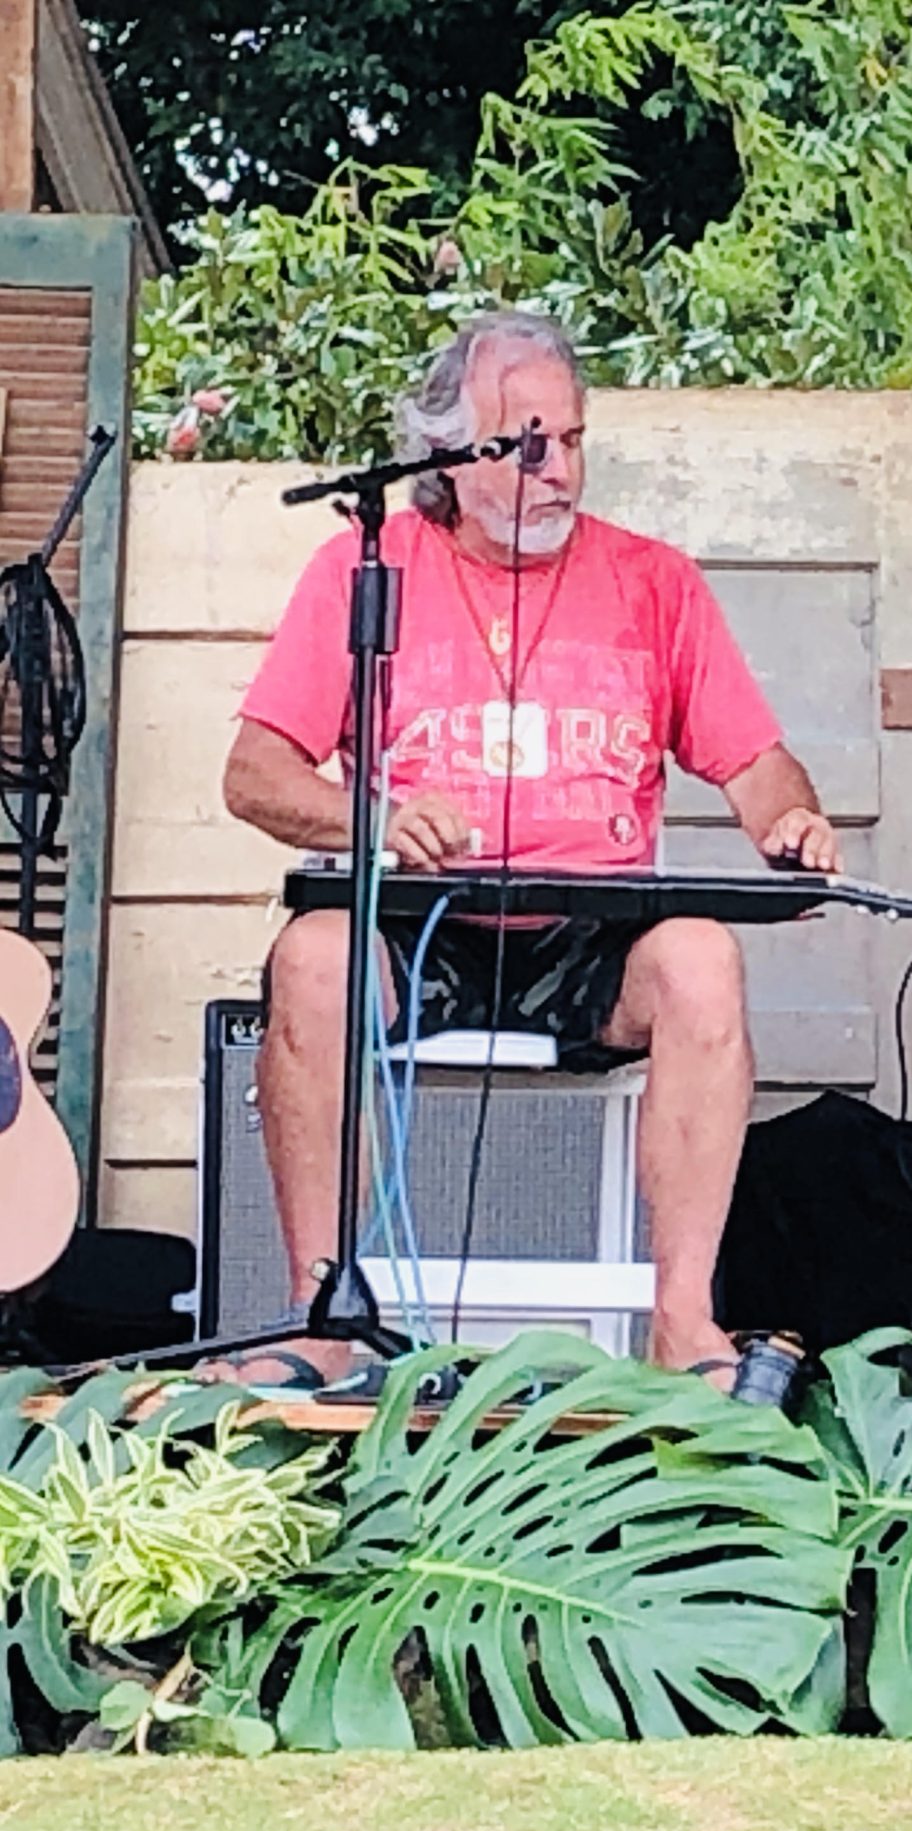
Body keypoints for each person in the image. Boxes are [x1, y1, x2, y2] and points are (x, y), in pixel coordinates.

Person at [222, 310, 837, 1392]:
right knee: (313, 956)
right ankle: (323, 1314)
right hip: (416, 934)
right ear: (448, 459)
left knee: (702, 961)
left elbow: (761, 770)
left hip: (592, 942)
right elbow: (254, 775)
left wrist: (790, 820)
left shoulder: (655, 582)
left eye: (575, 439)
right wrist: (372, 815)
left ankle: (685, 1324)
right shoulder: (365, 569)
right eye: (525, 444)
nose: (560, 469)